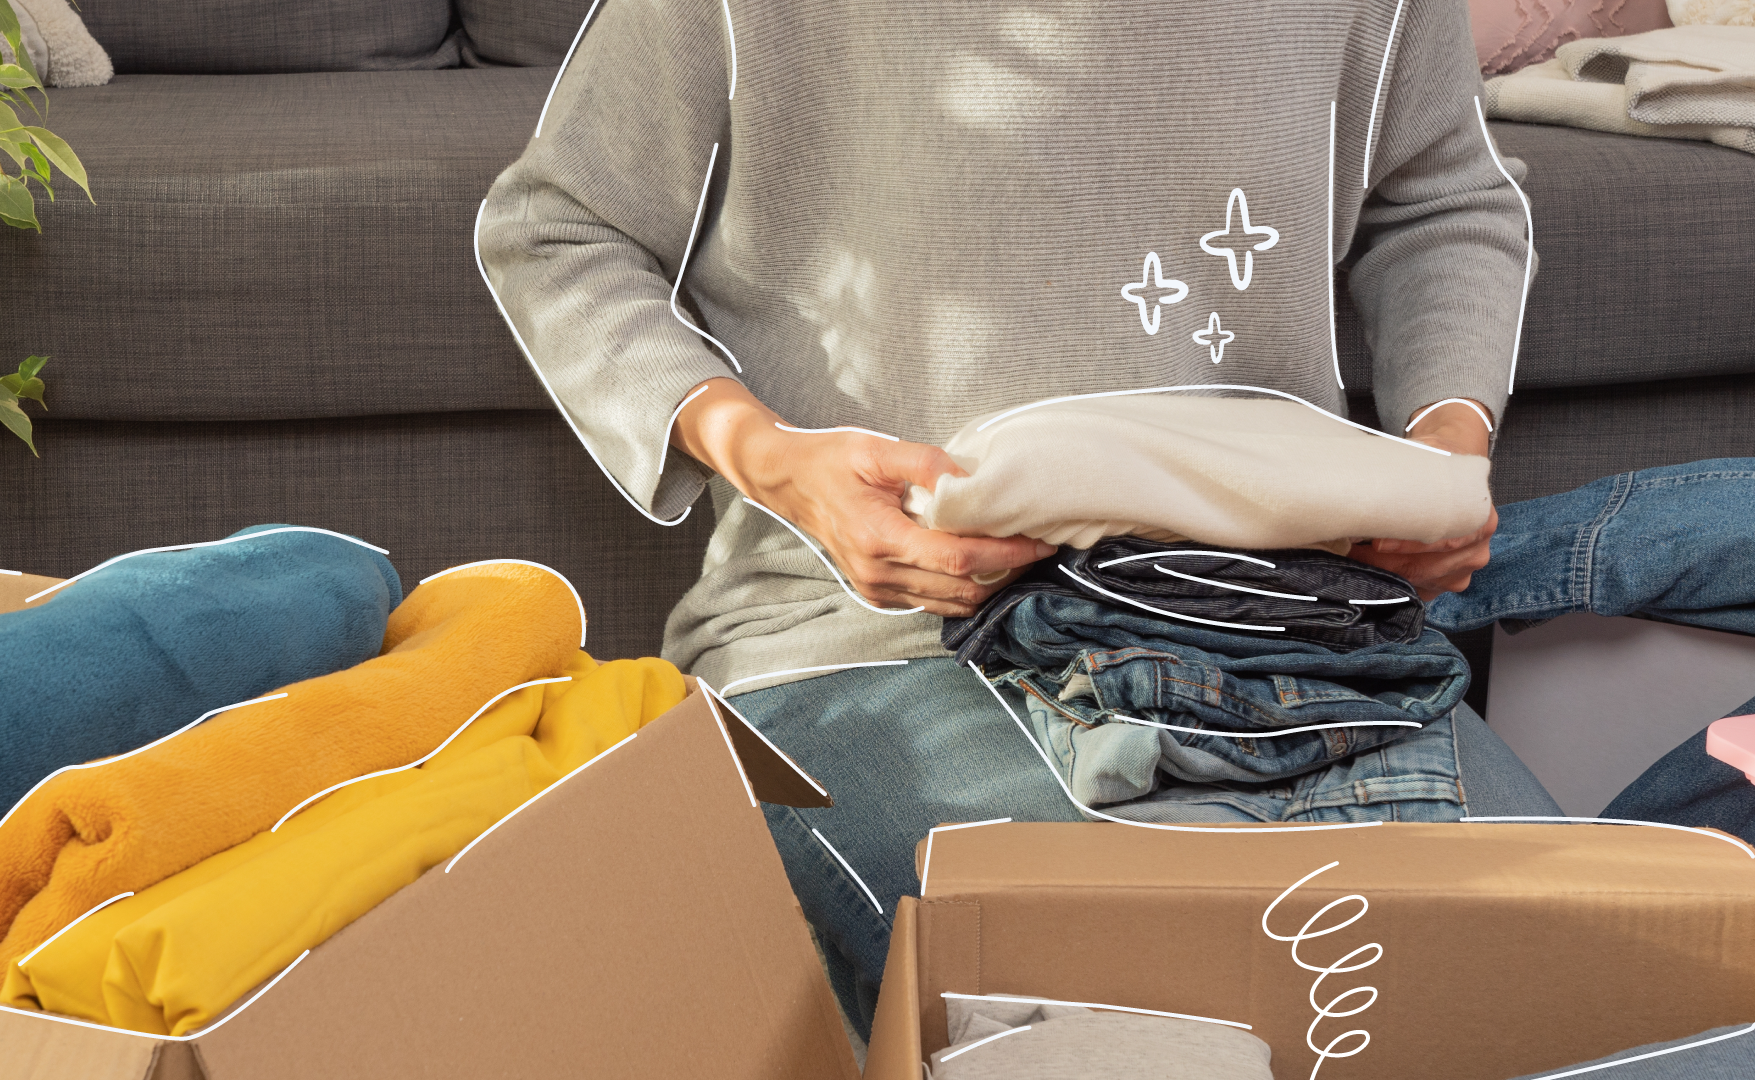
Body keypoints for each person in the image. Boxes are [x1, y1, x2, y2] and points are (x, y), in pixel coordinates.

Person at [478, 0, 1560, 1037]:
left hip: (1281, 631)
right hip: (871, 638)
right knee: (1138, 1024)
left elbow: (1441, 198)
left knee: (1593, 996)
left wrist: (1447, 438)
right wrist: (770, 459)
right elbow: (562, 228)